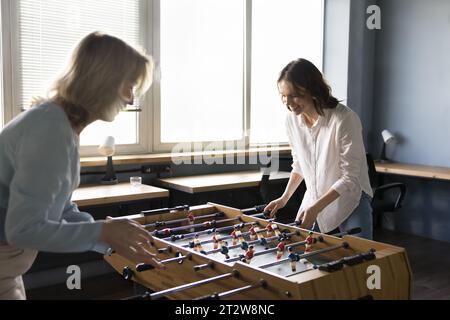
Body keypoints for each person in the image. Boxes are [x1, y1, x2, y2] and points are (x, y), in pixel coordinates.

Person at [0, 32, 164, 300]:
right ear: (104, 80)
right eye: (129, 85)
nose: (131, 99)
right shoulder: (50, 130)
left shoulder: (58, 123)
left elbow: (60, 208)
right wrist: (104, 231)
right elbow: (23, 230)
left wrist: (110, 240)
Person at [265, 58, 373, 240]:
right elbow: (300, 164)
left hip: (350, 197)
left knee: (360, 259)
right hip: (315, 196)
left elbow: (349, 178)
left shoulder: (344, 119)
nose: (288, 102)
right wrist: (284, 198)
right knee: (306, 256)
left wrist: (315, 208)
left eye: (294, 95)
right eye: (283, 95)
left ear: (312, 90)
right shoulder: (291, 121)